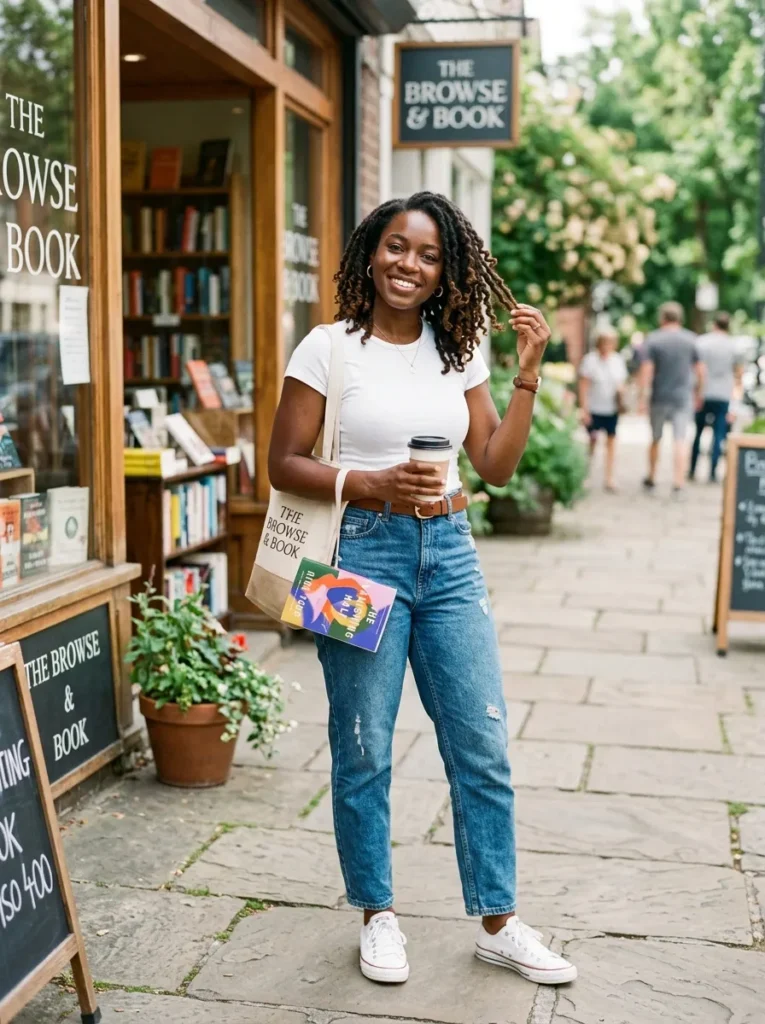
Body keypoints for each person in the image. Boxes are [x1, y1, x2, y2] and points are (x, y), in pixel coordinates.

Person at [269, 192, 577, 988]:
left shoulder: (456, 351)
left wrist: (526, 375)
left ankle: (499, 921)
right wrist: (371, 485)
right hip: (357, 559)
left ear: (448, 271)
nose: (410, 264)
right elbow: (282, 463)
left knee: (480, 742)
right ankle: (377, 915)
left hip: (449, 554)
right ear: (371, 251)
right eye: (397, 247)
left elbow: (495, 466)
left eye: (429, 254)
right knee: (365, 745)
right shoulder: (327, 348)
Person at [638, 301, 704, 498]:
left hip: (660, 396)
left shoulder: (653, 339)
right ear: (679, 318)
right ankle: (678, 483)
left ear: (663, 317)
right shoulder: (692, 340)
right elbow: (701, 371)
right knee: (680, 439)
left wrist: (642, 397)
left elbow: (646, 371)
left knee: (656, 438)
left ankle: (651, 477)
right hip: (683, 397)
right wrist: (698, 394)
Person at [690, 311, 743, 483]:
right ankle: (713, 472)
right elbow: (739, 376)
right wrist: (735, 402)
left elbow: (699, 371)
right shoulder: (734, 346)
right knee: (719, 434)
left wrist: (697, 393)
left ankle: (692, 469)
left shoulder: (702, 342)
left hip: (704, 394)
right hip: (723, 394)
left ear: (714, 324)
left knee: (698, 432)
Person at [578, 329, 627, 492]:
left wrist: (622, 396)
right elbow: (584, 387)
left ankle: (609, 477)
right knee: (592, 441)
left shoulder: (617, 360)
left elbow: (621, 383)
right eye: (604, 343)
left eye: (610, 343)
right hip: (594, 408)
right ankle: (586, 475)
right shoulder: (590, 360)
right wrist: (584, 410)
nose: (607, 346)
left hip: (611, 409)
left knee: (611, 442)